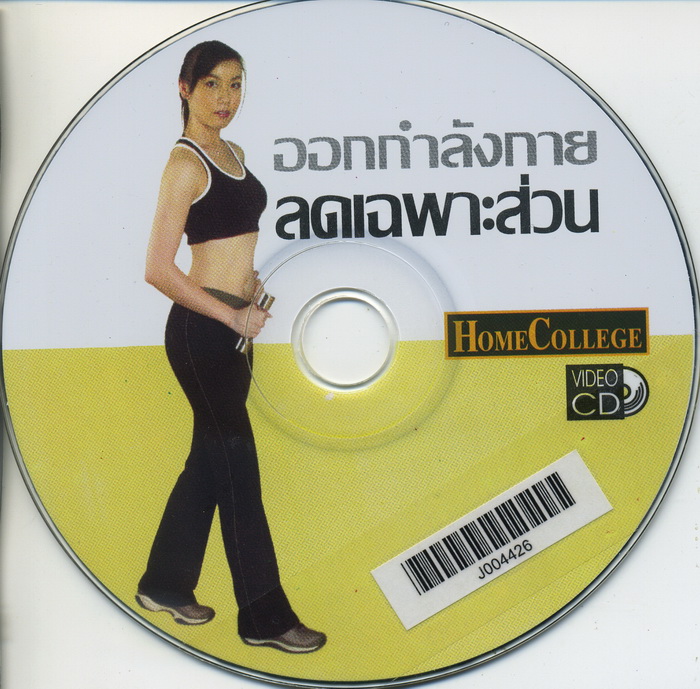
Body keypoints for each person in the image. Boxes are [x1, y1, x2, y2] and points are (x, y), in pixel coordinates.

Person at [136, 40, 325, 654]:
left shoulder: (234, 154)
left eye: (236, 84)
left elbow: (232, 244)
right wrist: (229, 312)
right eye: (212, 84)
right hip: (202, 334)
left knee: (208, 463)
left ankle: (164, 585)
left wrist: (251, 287)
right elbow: (158, 269)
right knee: (239, 472)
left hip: (236, 331)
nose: (226, 98)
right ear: (185, 88)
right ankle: (264, 619)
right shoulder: (184, 165)